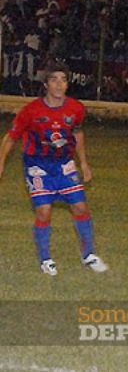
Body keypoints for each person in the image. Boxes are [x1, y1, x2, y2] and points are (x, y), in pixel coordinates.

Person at [0, 65, 108, 276]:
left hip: (64, 165)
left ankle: (89, 255)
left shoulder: (76, 108)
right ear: (46, 84)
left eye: (63, 79)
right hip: (37, 166)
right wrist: (1, 161)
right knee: (44, 210)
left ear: (67, 84)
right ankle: (46, 259)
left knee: (80, 208)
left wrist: (84, 163)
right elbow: (11, 136)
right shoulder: (31, 111)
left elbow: (77, 133)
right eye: (54, 79)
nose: (59, 84)